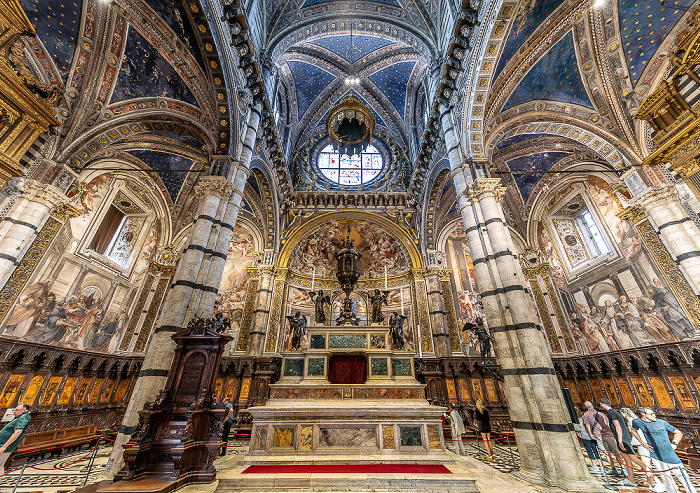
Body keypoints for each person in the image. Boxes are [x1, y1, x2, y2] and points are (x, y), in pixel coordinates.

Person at [631, 407, 697, 493]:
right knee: (665, 478)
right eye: (651, 414)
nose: (654, 415)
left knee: (683, 476)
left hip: (670, 455)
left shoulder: (662, 423)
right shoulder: (637, 422)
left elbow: (678, 433)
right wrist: (642, 442)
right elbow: (633, 430)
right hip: (655, 455)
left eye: (654, 413)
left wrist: (674, 444)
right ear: (644, 415)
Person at [599, 398, 648, 487]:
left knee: (635, 459)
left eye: (601, 404)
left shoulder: (611, 412)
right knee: (627, 460)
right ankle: (631, 479)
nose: (600, 406)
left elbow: (618, 427)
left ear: (604, 404)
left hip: (623, 439)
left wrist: (620, 441)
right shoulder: (614, 412)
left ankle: (651, 477)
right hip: (622, 438)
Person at [621, 407, 665, 492]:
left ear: (625, 413)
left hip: (643, 444)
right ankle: (649, 482)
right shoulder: (638, 419)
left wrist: (641, 442)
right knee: (647, 464)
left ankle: (657, 482)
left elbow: (637, 433)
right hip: (647, 442)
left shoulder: (632, 421)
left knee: (645, 464)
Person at [582, 401, 625, 477]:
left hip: (599, 435)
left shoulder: (586, 414)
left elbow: (587, 425)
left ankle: (614, 469)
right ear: (593, 406)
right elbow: (607, 423)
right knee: (616, 453)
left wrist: (590, 434)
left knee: (607, 453)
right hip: (609, 434)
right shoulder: (601, 414)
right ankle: (623, 468)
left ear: (585, 407)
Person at [0, 403, 31, 476]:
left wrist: (4, 447)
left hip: (3, 445)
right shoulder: (19, 417)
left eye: (16, 410)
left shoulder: (23, 418)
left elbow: (17, 432)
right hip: (4, 445)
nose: (14, 411)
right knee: (0, 465)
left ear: (24, 410)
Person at [574, 408, 605, 473]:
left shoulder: (578, 420)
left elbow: (577, 428)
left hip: (585, 436)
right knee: (595, 450)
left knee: (589, 451)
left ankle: (595, 466)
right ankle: (602, 466)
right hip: (593, 436)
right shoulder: (588, 417)